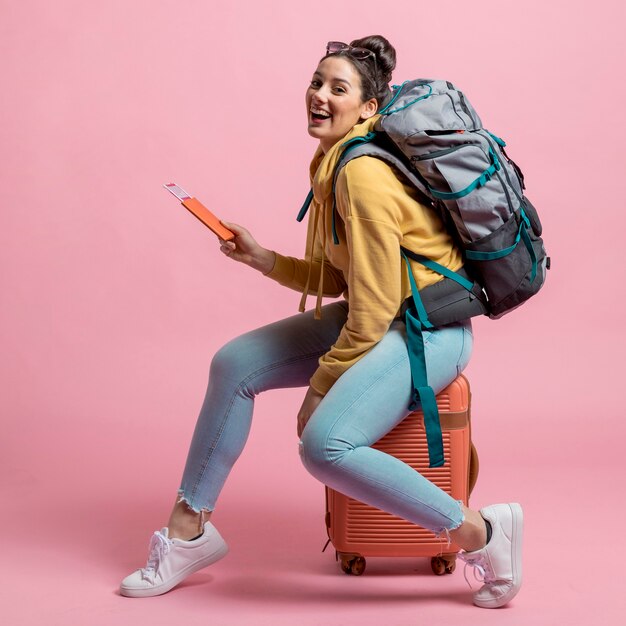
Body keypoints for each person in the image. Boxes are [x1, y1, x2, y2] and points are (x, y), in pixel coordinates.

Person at [119, 36, 523, 609]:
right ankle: (190, 530)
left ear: (367, 109)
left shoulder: (361, 174)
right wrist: (263, 259)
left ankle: (482, 532)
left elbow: (375, 308)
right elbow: (347, 280)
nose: (320, 95)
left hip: (429, 333)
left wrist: (320, 385)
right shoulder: (333, 163)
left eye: (339, 88)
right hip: (385, 319)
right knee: (233, 363)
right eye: (316, 82)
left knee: (323, 445)